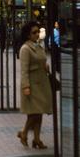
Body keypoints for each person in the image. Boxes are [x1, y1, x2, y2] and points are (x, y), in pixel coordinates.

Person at [18, 20, 53, 149]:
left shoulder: (38, 46)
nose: (37, 34)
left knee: (39, 111)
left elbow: (41, 60)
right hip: (32, 85)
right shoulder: (25, 49)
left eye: (38, 31)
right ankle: (24, 132)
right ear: (28, 34)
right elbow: (24, 70)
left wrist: (45, 66)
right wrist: (26, 86)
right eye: (34, 32)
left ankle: (36, 139)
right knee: (34, 113)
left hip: (41, 84)